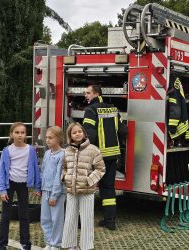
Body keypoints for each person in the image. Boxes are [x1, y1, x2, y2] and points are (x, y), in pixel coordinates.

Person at [83, 84, 126, 230]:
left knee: (88, 186)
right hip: (113, 156)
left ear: (96, 94)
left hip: (98, 156)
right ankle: (110, 221)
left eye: (88, 93)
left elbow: (90, 134)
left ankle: (83, 221)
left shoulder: (90, 110)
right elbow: (123, 130)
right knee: (108, 187)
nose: (85, 96)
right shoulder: (113, 109)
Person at [61, 122, 105, 250]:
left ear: (84, 133)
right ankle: (70, 245)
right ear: (70, 136)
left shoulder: (93, 150)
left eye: (79, 131)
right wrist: (65, 178)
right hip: (71, 191)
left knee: (87, 219)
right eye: (74, 132)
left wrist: (89, 181)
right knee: (69, 218)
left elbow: (100, 169)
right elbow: (64, 167)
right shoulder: (67, 151)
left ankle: (86, 246)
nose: (77, 134)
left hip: (87, 191)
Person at [0, 122, 41, 250]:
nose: (20, 135)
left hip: (23, 185)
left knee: (24, 215)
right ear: (11, 134)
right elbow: (2, 171)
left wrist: (37, 187)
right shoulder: (7, 151)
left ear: (25, 135)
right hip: (9, 184)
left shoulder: (30, 150)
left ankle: (26, 243)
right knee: (5, 215)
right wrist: (2, 190)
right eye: (17, 132)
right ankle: (2, 244)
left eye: (22, 133)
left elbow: (35, 169)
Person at [41, 126, 65, 250]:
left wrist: (54, 195)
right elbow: (43, 170)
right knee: (45, 218)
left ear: (59, 138)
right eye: (46, 137)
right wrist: (40, 187)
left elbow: (59, 177)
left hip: (57, 192)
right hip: (45, 190)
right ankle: (49, 242)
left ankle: (56, 243)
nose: (47, 140)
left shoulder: (62, 155)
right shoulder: (47, 153)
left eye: (51, 137)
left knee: (56, 219)